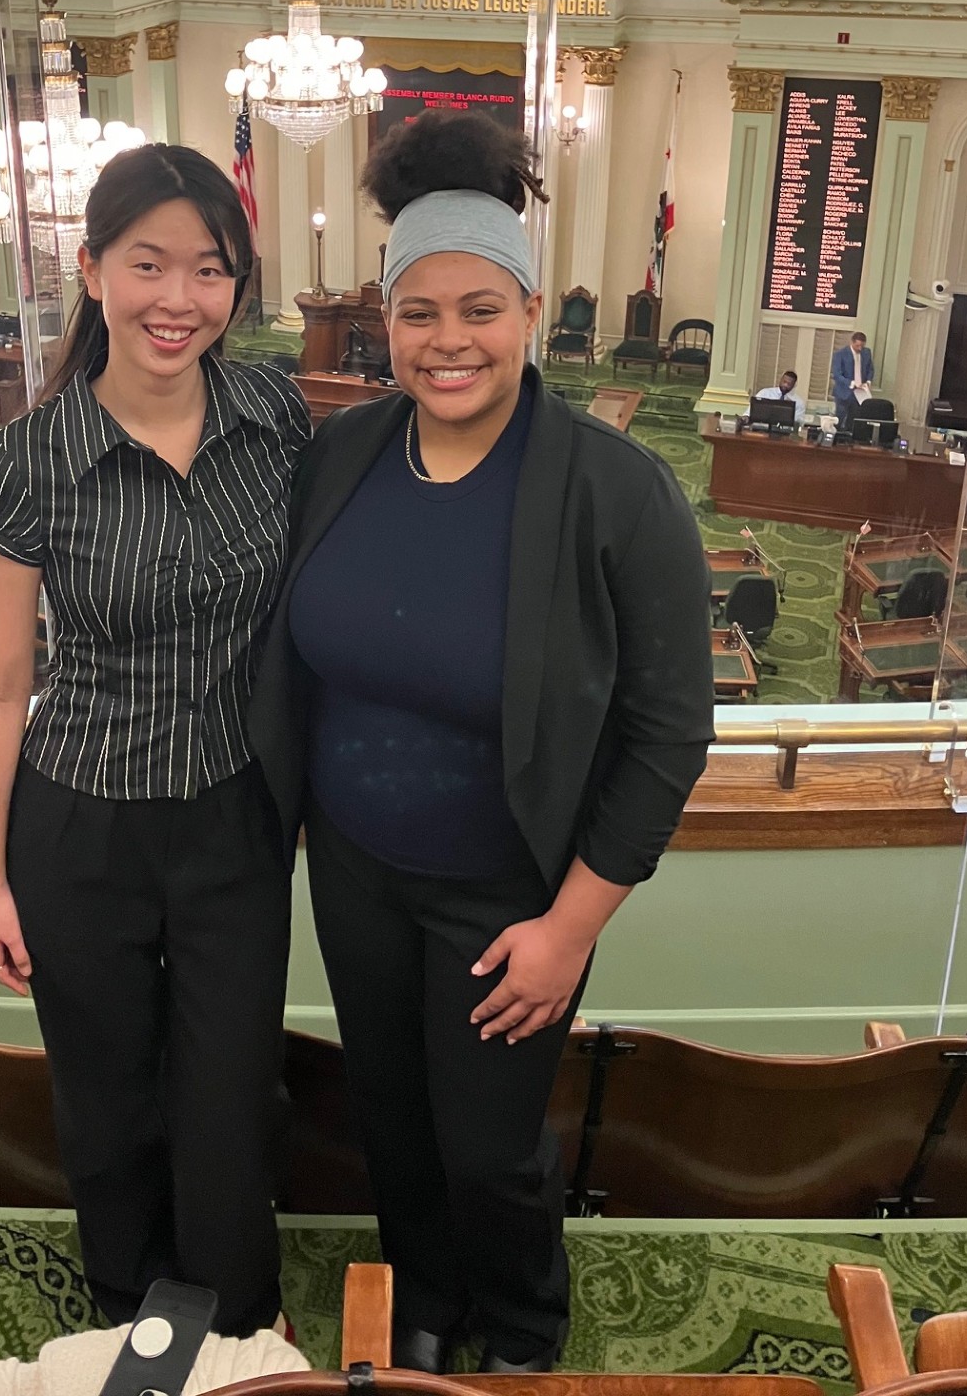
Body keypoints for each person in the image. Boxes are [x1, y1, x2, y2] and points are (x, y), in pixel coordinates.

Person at [248, 114, 714, 1375]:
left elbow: (671, 733)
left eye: (480, 309)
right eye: (419, 313)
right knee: (392, 1124)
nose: (448, 341)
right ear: (382, 321)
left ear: (527, 317)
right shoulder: (340, 453)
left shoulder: (619, 494)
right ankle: (427, 1306)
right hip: (352, 871)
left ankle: (520, 1328)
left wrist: (569, 929)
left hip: (510, 892)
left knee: (492, 1148)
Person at [0, 143, 310, 1335]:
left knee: (228, 1096)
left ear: (238, 284)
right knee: (106, 1099)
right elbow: (2, 689)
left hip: (235, 816)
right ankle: (127, 1313)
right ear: (92, 265)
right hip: (80, 824)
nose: (179, 299)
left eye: (209, 270)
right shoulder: (26, 464)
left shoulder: (274, 415)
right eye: (148, 263)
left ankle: (235, 1324)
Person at [830, 331, 874, 429]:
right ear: (852, 342)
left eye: (862, 346)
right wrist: (852, 383)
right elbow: (837, 375)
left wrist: (868, 382)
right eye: (857, 346)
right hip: (844, 393)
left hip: (860, 394)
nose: (860, 348)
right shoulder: (840, 354)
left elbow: (870, 369)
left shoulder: (866, 352)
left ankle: (849, 440)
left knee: (853, 421)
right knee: (839, 420)